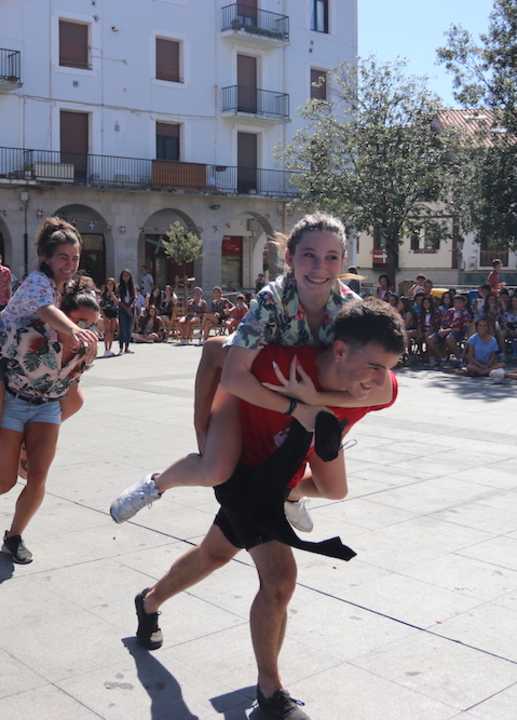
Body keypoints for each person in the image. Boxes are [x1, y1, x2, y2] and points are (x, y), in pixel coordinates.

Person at [129, 299, 405, 720]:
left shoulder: (377, 386)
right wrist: (202, 427)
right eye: (374, 367)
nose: (381, 379)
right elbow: (214, 351)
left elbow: (380, 389)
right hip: (244, 470)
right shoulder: (285, 365)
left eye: (388, 368)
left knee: (214, 554)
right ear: (340, 350)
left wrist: (317, 399)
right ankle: (270, 691)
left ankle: (148, 602)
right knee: (279, 579)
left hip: (280, 478)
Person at [110, 213, 368, 530]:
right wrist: (296, 409)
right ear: (289, 258)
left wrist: (319, 410)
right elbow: (233, 375)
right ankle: (155, 484)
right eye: (309, 255)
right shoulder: (272, 299)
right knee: (215, 470)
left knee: (334, 488)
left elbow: (377, 385)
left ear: (343, 261)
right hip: (251, 389)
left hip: (303, 399)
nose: (319, 267)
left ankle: (290, 495)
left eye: (331, 257)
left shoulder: (353, 310)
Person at [0, 217, 99, 485]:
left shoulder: (72, 286)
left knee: (74, 401)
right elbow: (46, 310)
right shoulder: (39, 282)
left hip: (34, 359)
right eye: (63, 257)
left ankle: (26, 445)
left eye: (75, 258)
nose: (70, 265)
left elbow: (87, 313)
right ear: (46, 257)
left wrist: (88, 335)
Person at [0, 281, 100, 564]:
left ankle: (13, 537)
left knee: (37, 478)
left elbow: (70, 384)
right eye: (81, 322)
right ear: (62, 317)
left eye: (93, 325)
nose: (87, 331)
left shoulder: (87, 349)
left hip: (46, 410)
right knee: (5, 482)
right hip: (13, 404)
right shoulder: (30, 335)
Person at [426, 294, 472, 368]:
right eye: (455, 302)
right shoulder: (450, 311)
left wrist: (446, 331)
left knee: (449, 338)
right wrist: (441, 330)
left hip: (458, 333)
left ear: (463, 303)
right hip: (445, 331)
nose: (457, 304)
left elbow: (461, 328)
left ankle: (460, 359)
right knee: (430, 339)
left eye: (459, 302)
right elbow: (443, 322)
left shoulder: (465, 314)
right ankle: (442, 358)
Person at [116, 268, 137, 355]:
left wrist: (130, 307)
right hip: (122, 309)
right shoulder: (119, 287)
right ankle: (121, 347)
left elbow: (134, 298)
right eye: (124, 275)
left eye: (128, 275)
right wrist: (126, 308)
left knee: (129, 329)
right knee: (123, 329)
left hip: (131, 308)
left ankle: (127, 347)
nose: (126, 277)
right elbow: (118, 299)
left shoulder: (133, 287)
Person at [99, 277, 119, 357]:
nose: (109, 285)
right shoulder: (103, 294)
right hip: (106, 312)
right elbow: (100, 306)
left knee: (112, 331)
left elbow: (117, 302)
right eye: (108, 284)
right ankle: (106, 349)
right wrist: (104, 316)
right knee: (107, 332)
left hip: (113, 312)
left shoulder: (116, 293)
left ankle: (109, 349)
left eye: (111, 284)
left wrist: (112, 293)